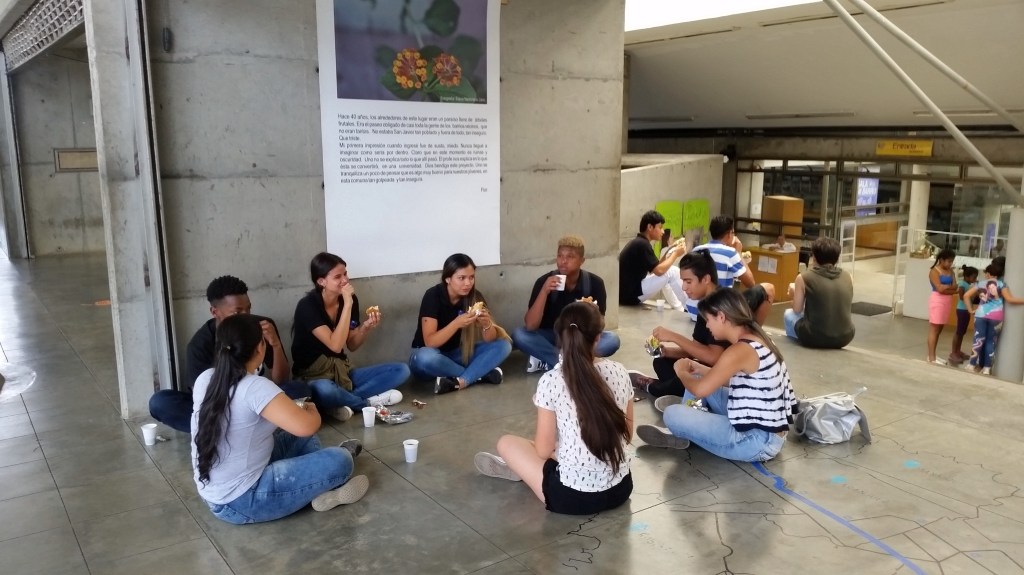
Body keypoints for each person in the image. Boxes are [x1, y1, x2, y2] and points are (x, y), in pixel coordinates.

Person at [191, 314, 369, 524]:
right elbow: (309, 425)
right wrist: (311, 408)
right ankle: (322, 487)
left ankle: (313, 486)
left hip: (214, 493)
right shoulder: (254, 387)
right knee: (341, 460)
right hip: (242, 500)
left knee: (302, 439)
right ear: (260, 347)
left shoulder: (206, 377)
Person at [474, 302, 633, 515]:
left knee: (507, 443)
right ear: (598, 337)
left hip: (572, 498)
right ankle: (527, 467)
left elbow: (543, 450)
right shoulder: (620, 371)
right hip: (620, 489)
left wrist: (546, 406)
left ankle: (520, 468)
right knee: (563, 444)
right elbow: (627, 435)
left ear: (560, 336)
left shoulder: (552, 381)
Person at [636, 289, 797, 463]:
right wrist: (699, 369)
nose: (707, 326)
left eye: (708, 320)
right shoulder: (757, 338)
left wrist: (681, 371)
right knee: (698, 377)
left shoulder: (740, 350)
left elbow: (700, 390)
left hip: (756, 442)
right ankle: (690, 420)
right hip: (768, 432)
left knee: (671, 414)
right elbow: (739, 381)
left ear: (721, 317)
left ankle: (684, 426)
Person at [149, 276, 310, 433]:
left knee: (299, 389)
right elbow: (203, 399)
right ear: (215, 312)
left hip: (256, 402)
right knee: (161, 402)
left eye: (248, 309)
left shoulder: (263, 327)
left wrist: (275, 345)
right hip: (220, 409)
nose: (246, 316)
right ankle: (256, 427)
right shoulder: (199, 345)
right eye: (237, 312)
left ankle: (237, 430)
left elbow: (281, 380)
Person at [291, 252, 410, 421]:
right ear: (321, 281)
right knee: (326, 390)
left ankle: (341, 403)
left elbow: (352, 344)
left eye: (345, 274)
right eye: (337, 277)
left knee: (401, 370)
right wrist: (347, 304)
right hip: (314, 376)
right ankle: (367, 404)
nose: (345, 280)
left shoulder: (350, 299)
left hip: (342, 372)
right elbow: (335, 345)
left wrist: (365, 328)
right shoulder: (308, 306)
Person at [512, 235, 620, 372]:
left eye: (570, 257)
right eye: (560, 256)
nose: (563, 261)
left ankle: (554, 362)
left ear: (582, 261)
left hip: (580, 337)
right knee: (519, 335)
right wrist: (544, 291)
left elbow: (600, 325)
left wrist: (592, 313)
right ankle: (573, 362)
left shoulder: (595, 283)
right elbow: (531, 326)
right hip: (552, 336)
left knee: (612, 340)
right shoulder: (544, 281)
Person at [630, 250, 729, 399]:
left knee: (680, 381)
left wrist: (673, 336)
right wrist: (666, 351)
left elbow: (714, 357)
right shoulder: (706, 305)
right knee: (661, 361)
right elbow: (696, 349)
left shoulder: (720, 306)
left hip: (722, 377)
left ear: (706, 279)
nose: (683, 287)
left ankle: (654, 387)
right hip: (706, 367)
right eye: (683, 281)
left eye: (688, 282)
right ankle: (675, 388)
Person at [409, 253, 512, 394]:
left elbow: (490, 339)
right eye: (461, 278)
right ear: (448, 278)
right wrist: (456, 324)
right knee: (425, 357)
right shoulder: (433, 295)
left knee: (504, 345)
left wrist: (487, 324)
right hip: (429, 359)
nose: (468, 283)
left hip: (458, 355)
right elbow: (430, 342)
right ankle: (478, 375)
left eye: (471, 277)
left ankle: (462, 381)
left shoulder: (475, 296)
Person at [784, 236, 855, 349]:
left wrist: (793, 294)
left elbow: (797, 309)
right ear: (836, 259)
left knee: (789, 314)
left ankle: (795, 346)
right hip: (846, 337)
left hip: (814, 336)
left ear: (814, 257)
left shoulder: (803, 277)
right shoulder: (848, 277)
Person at [686, 215, 755, 320]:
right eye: (733, 233)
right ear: (729, 234)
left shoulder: (696, 249)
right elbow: (750, 283)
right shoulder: (730, 253)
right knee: (766, 290)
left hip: (693, 312)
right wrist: (738, 252)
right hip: (715, 316)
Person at [962, 263, 1024, 375]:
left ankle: (971, 364)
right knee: (991, 342)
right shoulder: (1002, 284)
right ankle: (987, 368)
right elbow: (1010, 300)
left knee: (978, 340)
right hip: (996, 317)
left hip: (981, 315)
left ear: (988, 274)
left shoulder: (980, 283)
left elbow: (966, 296)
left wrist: (970, 310)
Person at [617, 210, 687, 309]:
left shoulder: (639, 242)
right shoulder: (642, 244)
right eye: (660, 227)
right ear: (650, 227)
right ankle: (689, 307)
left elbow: (657, 267)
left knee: (668, 271)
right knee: (672, 271)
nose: (663, 232)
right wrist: (675, 254)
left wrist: (671, 249)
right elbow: (659, 271)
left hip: (626, 294)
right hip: (631, 294)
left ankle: (679, 307)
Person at [925, 249, 958, 365]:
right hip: (937, 300)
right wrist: (950, 288)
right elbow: (939, 289)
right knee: (934, 328)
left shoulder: (951, 271)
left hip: (947, 300)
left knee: (939, 329)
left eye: (952, 261)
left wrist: (947, 288)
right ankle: (931, 357)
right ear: (942, 260)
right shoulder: (934, 271)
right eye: (948, 261)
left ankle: (933, 355)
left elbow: (955, 286)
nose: (950, 264)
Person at [949, 265, 978, 366]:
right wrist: (972, 294)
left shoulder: (968, 285)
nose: (975, 279)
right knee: (958, 332)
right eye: (974, 277)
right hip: (962, 310)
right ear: (967, 276)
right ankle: (953, 352)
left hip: (966, 311)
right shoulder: (963, 284)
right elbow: (962, 296)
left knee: (962, 332)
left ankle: (958, 350)